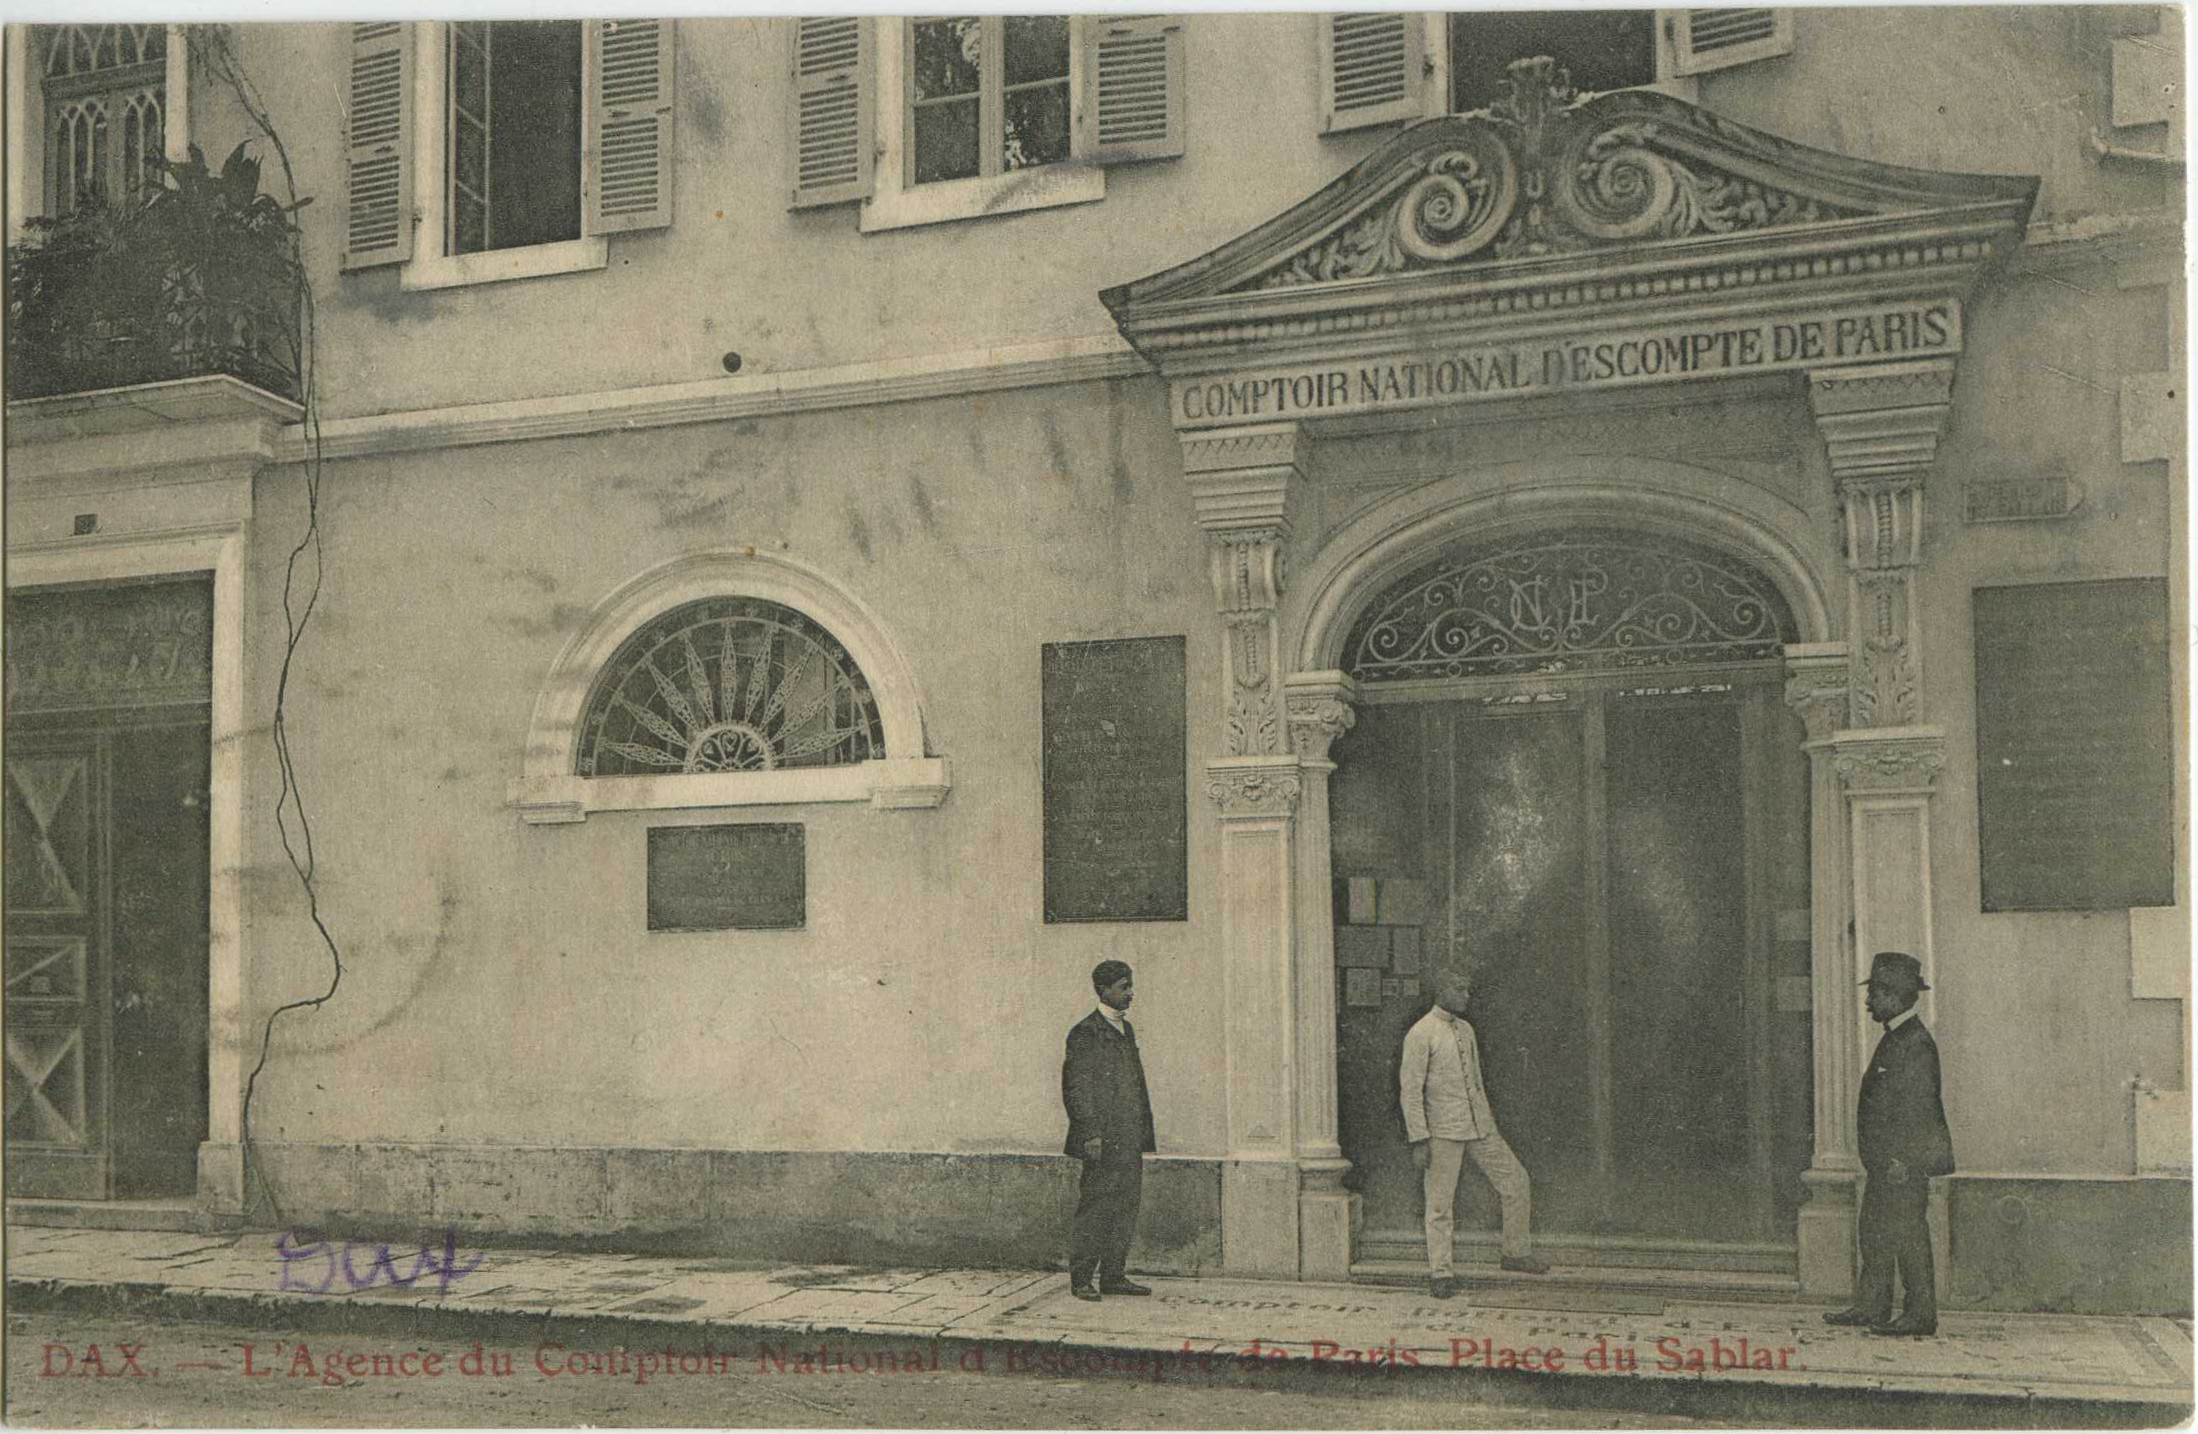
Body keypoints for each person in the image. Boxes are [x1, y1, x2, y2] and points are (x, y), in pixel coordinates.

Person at [1825, 950, 1955, 1337]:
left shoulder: (1913, 1043)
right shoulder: (1899, 1038)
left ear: (1894, 996)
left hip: (1901, 1165)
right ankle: (1872, 1306)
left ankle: (1921, 1313)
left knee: (1908, 1234)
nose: (1867, 1002)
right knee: (1876, 1231)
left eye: (1874, 995)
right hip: (1887, 1164)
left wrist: (1903, 1160)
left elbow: (1918, 1109)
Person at [1399, 966, 1550, 1299]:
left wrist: (1487, 1120)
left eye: (1468, 990)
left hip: (1480, 1126)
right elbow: (1410, 1091)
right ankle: (1440, 1273)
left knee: (1516, 1181)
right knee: (1439, 1205)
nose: (1467, 996)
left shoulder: (1466, 1030)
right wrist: (1419, 1138)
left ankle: (1515, 1253)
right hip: (1441, 1131)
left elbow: (1476, 1081)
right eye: (1460, 990)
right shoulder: (1421, 1033)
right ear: (1442, 990)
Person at [1061, 958, 1156, 1301]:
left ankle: (1113, 1276)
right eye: (1123, 987)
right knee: (1096, 1207)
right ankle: (1081, 1279)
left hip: (1129, 1136)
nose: (1130, 993)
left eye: (1130, 985)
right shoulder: (1084, 1033)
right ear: (1104, 990)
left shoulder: (1125, 1029)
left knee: (1125, 1205)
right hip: (1102, 1139)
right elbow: (1076, 1088)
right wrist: (1090, 1134)